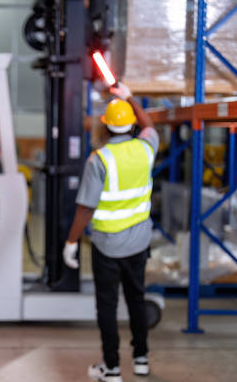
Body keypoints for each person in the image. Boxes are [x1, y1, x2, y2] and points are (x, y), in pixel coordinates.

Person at [63, 83, 158, 382]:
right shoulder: (146, 147)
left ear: (105, 125)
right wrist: (129, 96)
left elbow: (85, 208)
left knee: (107, 305)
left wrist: (71, 242)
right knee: (136, 299)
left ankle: (112, 369)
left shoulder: (99, 160)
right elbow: (150, 125)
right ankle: (141, 360)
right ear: (131, 123)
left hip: (106, 246)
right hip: (139, 243)